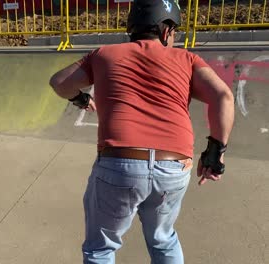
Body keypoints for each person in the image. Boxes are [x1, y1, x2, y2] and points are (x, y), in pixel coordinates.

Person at [49, 0, 234, 263]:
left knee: (100, 249)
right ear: (166, 30)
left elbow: (59, 83)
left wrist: (80, 99)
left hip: (119, 165)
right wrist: (215, 153)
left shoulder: (104, 54)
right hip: (173, 167)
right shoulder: (187, 59)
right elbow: (224, 97)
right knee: (163, 240)